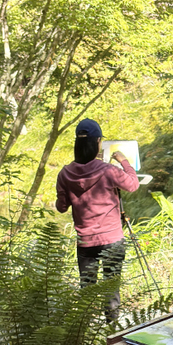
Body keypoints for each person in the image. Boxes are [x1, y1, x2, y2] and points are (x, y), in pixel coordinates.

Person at [56, 118, 138, 322]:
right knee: (111, 289)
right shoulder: (108, 170)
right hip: (112, 239)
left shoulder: (65, 174)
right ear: (98, 142)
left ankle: (83, 333)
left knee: (87, 291)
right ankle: (111, 328)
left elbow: (61, 207)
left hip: (86, 242)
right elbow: (133, 185)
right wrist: (124, 162)